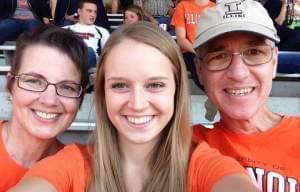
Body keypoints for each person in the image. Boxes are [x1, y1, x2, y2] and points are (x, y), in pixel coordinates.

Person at [9, 22, 259, 192]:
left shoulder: (203, 165)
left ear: (176, 90)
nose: (137, 104)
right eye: (119, 86)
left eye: (155, 85)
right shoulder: (74, 163)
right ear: (103, 92)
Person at [191, 0, 300, 191]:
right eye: (219, 56)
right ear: (200, 70)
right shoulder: (185, 146)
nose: (238, 73)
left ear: (274, 62)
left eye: (254, 52)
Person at [0, 25, 89, 191]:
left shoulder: (80, 169)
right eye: (34, 81)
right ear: (11, 85)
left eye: (67, 87)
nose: (49, 100)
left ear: (80, 99)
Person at [171, 0, 214, 88]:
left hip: (210, 50)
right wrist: (198, 52)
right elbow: (181, 40)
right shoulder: (182, 6)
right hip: (191, 51)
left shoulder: (215, 7)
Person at [64, 0, 110, 71]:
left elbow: (108, 54)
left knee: (89, 51)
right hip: (70, 58)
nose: (93, 15)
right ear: (79, 11)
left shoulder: (102, 31)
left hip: (90, 63)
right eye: (89, 11)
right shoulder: (66, 29)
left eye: (95, 12)